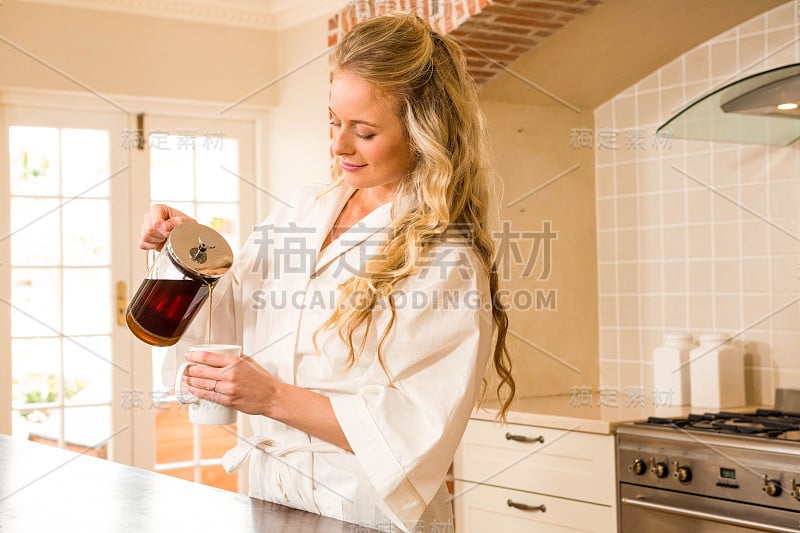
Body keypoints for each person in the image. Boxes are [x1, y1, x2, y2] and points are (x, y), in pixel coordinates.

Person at [139, 13, 515, 533]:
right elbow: (221, 324)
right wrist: (190, 257)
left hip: (364, 513)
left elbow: (413, 427)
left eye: (365, 132)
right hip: (272, 499)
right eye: (334, 121)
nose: (339, 146)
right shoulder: (296, 216)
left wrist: (270, 397)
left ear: (423, 133)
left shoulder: (444, 259)